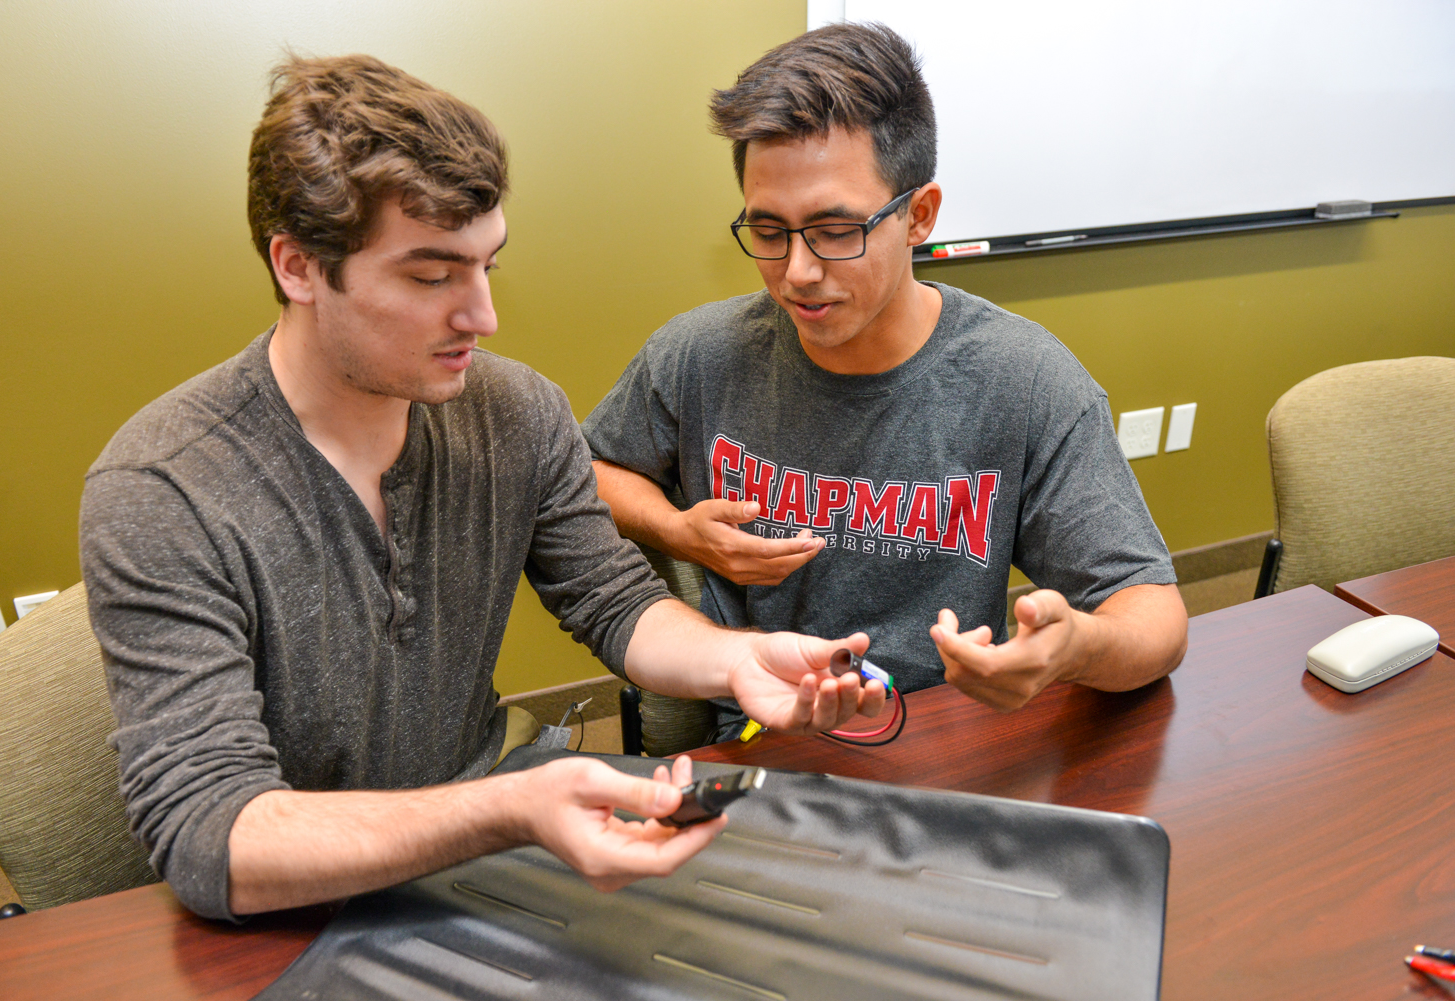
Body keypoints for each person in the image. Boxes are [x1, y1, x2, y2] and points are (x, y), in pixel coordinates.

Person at [79, 54, 884, 921]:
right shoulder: (163, 489)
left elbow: (610, 599)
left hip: (476, 848)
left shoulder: (515, 410)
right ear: (299, 267)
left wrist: (737, 661)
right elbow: (209, 836)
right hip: (285, 899)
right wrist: (505, 810)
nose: (480, 315)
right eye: (431, 277)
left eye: (486, 266)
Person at [582, 24, 1188, 740]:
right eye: (769, 230)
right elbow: (588, 470)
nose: (797, 272)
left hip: (947, 737)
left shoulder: (1024, 381)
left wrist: (1075, 647)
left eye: (836, 229)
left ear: (919, 216)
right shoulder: (699, 354)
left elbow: (1156, 619)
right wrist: (679, 532)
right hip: (768, 734)